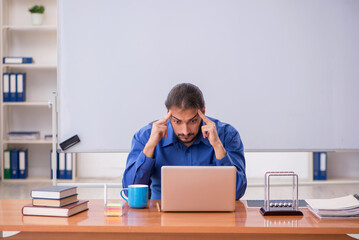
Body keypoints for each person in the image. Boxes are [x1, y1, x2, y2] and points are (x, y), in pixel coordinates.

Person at [122, 83, 247, 200]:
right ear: (168, 114)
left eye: (192, 121)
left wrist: (217, 146)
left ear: (202, 112)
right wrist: (150, 146)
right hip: (160, 218)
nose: (185, 131)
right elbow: (129, 192)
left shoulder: (227, 135)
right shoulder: (145, 136)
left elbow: (237, 192)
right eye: (177, 121)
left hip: (211, 217)